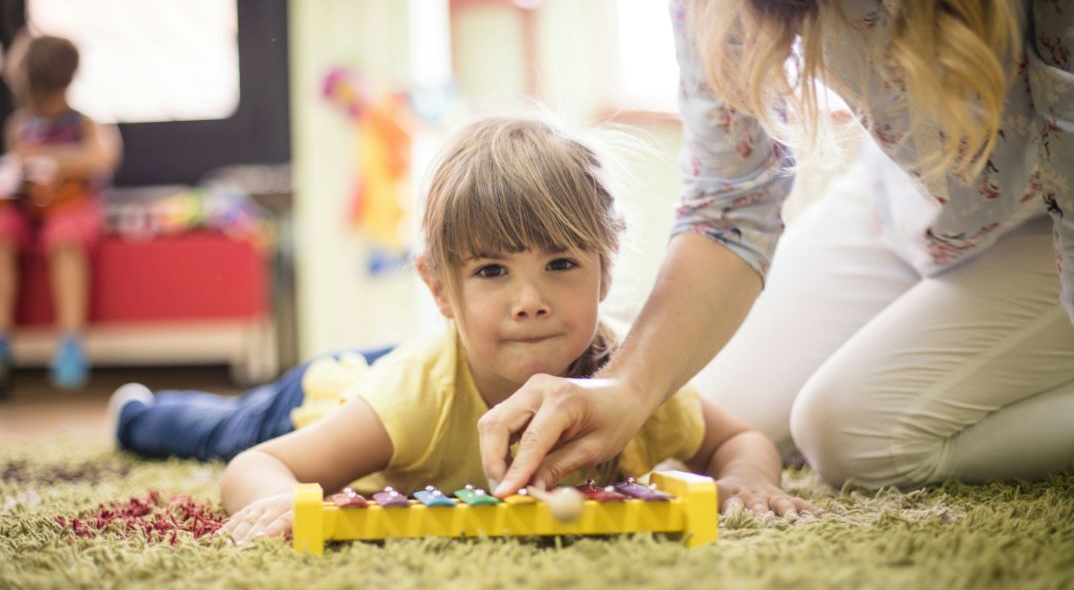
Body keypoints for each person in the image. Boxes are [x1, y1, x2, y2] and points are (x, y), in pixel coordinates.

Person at [479, 0, 1074, 498]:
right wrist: (626, 387)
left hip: (1048, 222)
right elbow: (729, 204)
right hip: (905, 204)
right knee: (717, 407)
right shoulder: (718, 0)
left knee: (850, 434)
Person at [110, 116, 817, 543]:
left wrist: (747, 481)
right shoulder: (415, 400)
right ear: (439, 288)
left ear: (606, 271)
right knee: (219, 429)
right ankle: (139, 411)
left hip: (435, 358)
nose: (530, 301)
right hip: (328, 392)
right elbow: (257, 466)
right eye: (492, 271)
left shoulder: (634, 371)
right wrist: (278, 507)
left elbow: (739, 440)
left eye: (561, 264)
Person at [0, 32, 122, 392]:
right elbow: (15, 170)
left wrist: (53, 159)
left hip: (73, 208)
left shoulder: (86, 123)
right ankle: (2, 338)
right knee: (2, 233)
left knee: (65, 239)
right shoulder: (20, 126)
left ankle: (70, 342)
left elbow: (104, 157)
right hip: (29, 208)